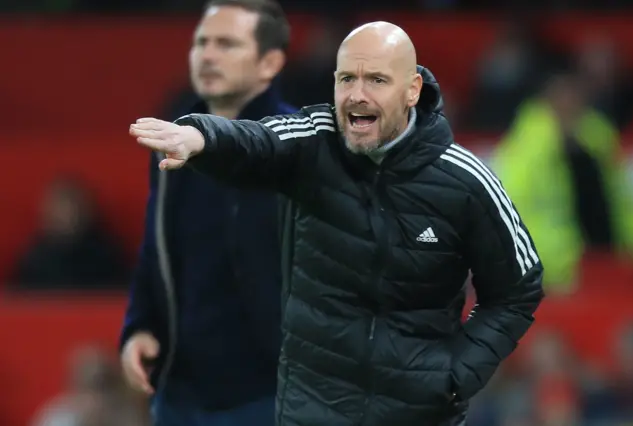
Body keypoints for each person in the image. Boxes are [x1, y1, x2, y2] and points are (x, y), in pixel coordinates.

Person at [129, 21, 545, 426]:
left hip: (421, 415)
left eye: (376, 81)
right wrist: (201, 137)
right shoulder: (313, 140)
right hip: (312, 412)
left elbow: (519, 286)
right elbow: (259, 140)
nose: (356, 95)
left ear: (412, 90)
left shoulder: (464, 179)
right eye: (346, 79)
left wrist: (456, 375)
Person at [120, 1, 295, 425]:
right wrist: (139, 326)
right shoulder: (172, 139)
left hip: (272, 393)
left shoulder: (297, 145)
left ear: (269, 62)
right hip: (182, 391)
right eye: (202, 42)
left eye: (227, 44)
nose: (208, 54)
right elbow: (157, 247)